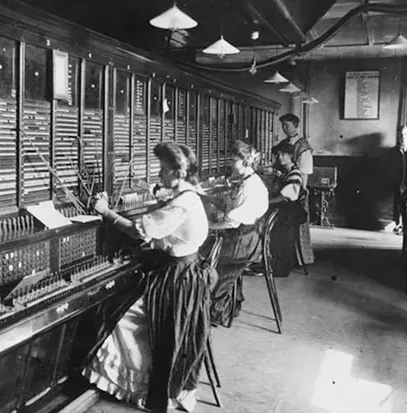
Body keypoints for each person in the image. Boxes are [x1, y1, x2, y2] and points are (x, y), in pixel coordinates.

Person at [82, 142, 217, 413]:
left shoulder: (180, 205)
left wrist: (106, 212)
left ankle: (139, 387)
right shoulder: (189, 195)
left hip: (177, 281)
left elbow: (137, 232)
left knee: (119, 312)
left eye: (163, 170)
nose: (159, 174)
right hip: (189, 276)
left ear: (178, 172)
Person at [203, 140, 268, 326]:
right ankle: (229, 305)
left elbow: (231, 222)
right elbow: (229, 206)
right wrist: (205, 196)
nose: (230, 164)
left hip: (242, 243)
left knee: (203, 257)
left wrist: (207, 226)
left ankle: (213, 309)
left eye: (233, 161)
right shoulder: (247, 181)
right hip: (247, 237)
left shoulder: (249, 187)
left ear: (246, 162)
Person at [277, 113, 314, 265]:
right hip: (287, 183)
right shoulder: (284, 143)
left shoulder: (303, 146)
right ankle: (285, 255)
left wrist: (302, 188)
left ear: (296, 126)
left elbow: (304, 170)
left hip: (297, 187)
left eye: (287, 125)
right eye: (283, 126)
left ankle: (300, 258)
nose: (284, 129)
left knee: (296, 225)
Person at [268, 141, 308, 277]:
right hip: (286, 211)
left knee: (278, 237)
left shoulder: (294, 175)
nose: (279, 157)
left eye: (282, 154)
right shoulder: (288, 172)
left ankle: (280, 268)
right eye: (278, 155)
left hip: (288, 214)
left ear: (291, 156)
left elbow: (282, 197)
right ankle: (270, 261)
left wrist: (265, 202)